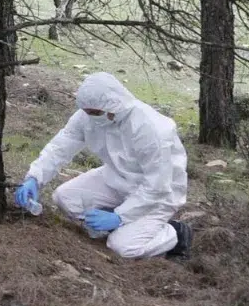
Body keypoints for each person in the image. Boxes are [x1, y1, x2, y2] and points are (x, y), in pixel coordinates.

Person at [14, 72, 192, 260]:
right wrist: (35, 177)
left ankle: (175, 234)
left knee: (122, 248)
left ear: (114, 106)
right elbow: (61, 146)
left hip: (158, 196)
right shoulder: (87, 116)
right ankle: (124, 227)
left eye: (95, 112)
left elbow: (157, 186)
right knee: (64, 197)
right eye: (87, 111)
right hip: (116, 178)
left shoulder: (150, 129)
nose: (90, 116)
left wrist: (119, 216)